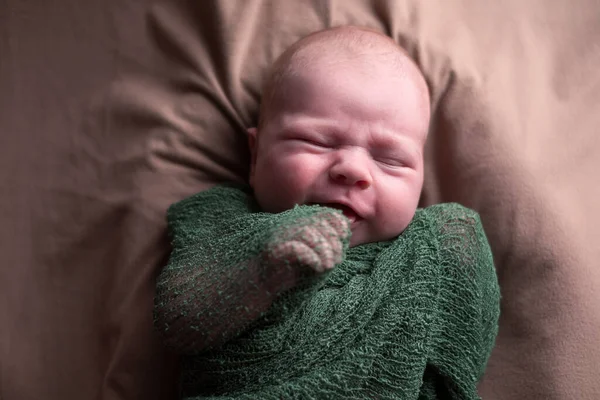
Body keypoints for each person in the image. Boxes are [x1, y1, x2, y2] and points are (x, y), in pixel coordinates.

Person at [154, 26, 500, 399]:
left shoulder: (433, 246)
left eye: (390, 159)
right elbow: (179, 318)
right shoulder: (220, 216)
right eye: (316, 141)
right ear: (255, 157)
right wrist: (262, 265)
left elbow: (461, 358)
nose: (352, 169)